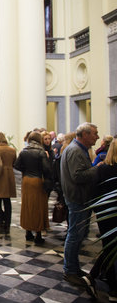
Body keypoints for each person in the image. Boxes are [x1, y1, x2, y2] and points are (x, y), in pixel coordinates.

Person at [60, 122, 99, 286]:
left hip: (78, 197)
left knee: (76, 234)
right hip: (77, 197)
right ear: (84, 134)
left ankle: (73, 268)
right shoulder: (75, 151)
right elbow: (78, 176)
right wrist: (98, 168)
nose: (97, 136)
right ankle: (70, 270)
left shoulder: (76, 149)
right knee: (75, 235)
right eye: (94, 133)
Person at [84, 138, 117, 302]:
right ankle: (112, 288)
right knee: (111, 248)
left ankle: (94, 276)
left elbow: (93, 191)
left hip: (104, 213)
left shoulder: (101, 168)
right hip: (111, 213)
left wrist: (97, 210)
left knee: (109, 246)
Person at [14, 131, 52, 244]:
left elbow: (16, 165)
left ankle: (28, 232)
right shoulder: (41, 152)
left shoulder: (24, 151)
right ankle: (38, 235)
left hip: (26, 180)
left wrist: (25, 171)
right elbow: (47, 169)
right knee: (38, 207)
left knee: (27, 206)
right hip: (37, 180)